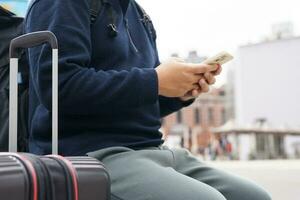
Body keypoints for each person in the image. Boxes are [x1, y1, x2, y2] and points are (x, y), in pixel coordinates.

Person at [25, 0, 271, 199]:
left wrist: (179, 92)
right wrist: (155, 81)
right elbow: (59, 87)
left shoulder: (137, 13)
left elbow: (143, 98)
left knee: (254, 196)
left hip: (152, 149)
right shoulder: (59, 4)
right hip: (89, 154)